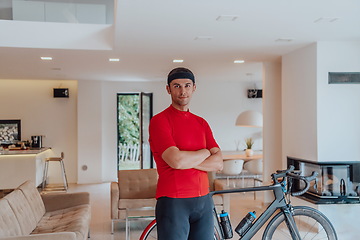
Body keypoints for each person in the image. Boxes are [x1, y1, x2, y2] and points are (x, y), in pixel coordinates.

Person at [149, 67, 223, 240]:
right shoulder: (160, 121)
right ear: (168, 89)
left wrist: (186, 160)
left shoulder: (201, 123)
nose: (183, 91)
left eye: (187, 85)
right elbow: (176, 161)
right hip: (173, 201)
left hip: (204, 201)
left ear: (194, 88)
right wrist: (205, 152)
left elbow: (218, 163)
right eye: (177, 86)